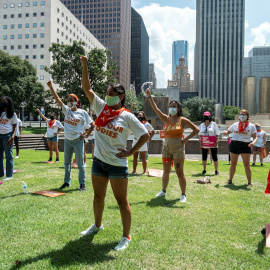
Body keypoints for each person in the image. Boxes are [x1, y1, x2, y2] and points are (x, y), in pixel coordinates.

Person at [80, 56, 149, 251]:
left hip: (118, 165)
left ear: (121, 96)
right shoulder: (102, 108)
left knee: (121, 201)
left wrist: (131, 151)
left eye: (112, 93)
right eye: (107, 93)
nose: (108, 95)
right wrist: (85, 65)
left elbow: (145, 135)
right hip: (99, 162)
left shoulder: (127, 116)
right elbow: (87, 89)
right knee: (97, 197)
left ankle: (126, 236)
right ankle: (97, 225)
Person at [145, 89, 199, 202]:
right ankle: (163, 191)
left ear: (178, 109)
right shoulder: (166, 119)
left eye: (174, 106)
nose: (172, 108)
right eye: (170, 106)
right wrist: (150, 97)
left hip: (178, 149)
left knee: (180, 172)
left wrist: (186, 140)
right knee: (166, 171)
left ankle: (183, 194)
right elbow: (156, 109)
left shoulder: (182, 120)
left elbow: (196, 129)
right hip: (166, 148)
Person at [47, 81, 94, 191]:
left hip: (78, 140)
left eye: (72, 100)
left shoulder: (82, 113)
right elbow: (58, 99)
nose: (69, 102)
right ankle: (66, 182)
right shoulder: (66, 110)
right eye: (68, 101)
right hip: (68, 140)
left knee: (81, 164)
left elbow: (92, 125)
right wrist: (51, 88)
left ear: (77, 102)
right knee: (67, 163)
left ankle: (82, 184)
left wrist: (86, 135)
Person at [223, 109, 257, 187]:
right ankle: (230, 180)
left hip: (246, 145)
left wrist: (253, 142)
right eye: (241, 114)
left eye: (244, 114)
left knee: (246, 164)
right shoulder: (235, 124)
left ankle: (249, 182)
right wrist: (225, 132)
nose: (242, 115)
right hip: (235, 144)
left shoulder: (251, 126)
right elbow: (228, 132)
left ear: (247, 116)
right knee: (233, 163)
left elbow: (255, 137)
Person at [0, 96, 17, 180]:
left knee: (8, 155)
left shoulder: (12, 114)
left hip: (7, 135)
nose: (3, 102)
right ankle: (0, 174)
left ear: (9, 103)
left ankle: (9, 175)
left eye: (5, 101)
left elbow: (15, 127)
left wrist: (12, 137)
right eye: (2, 100)